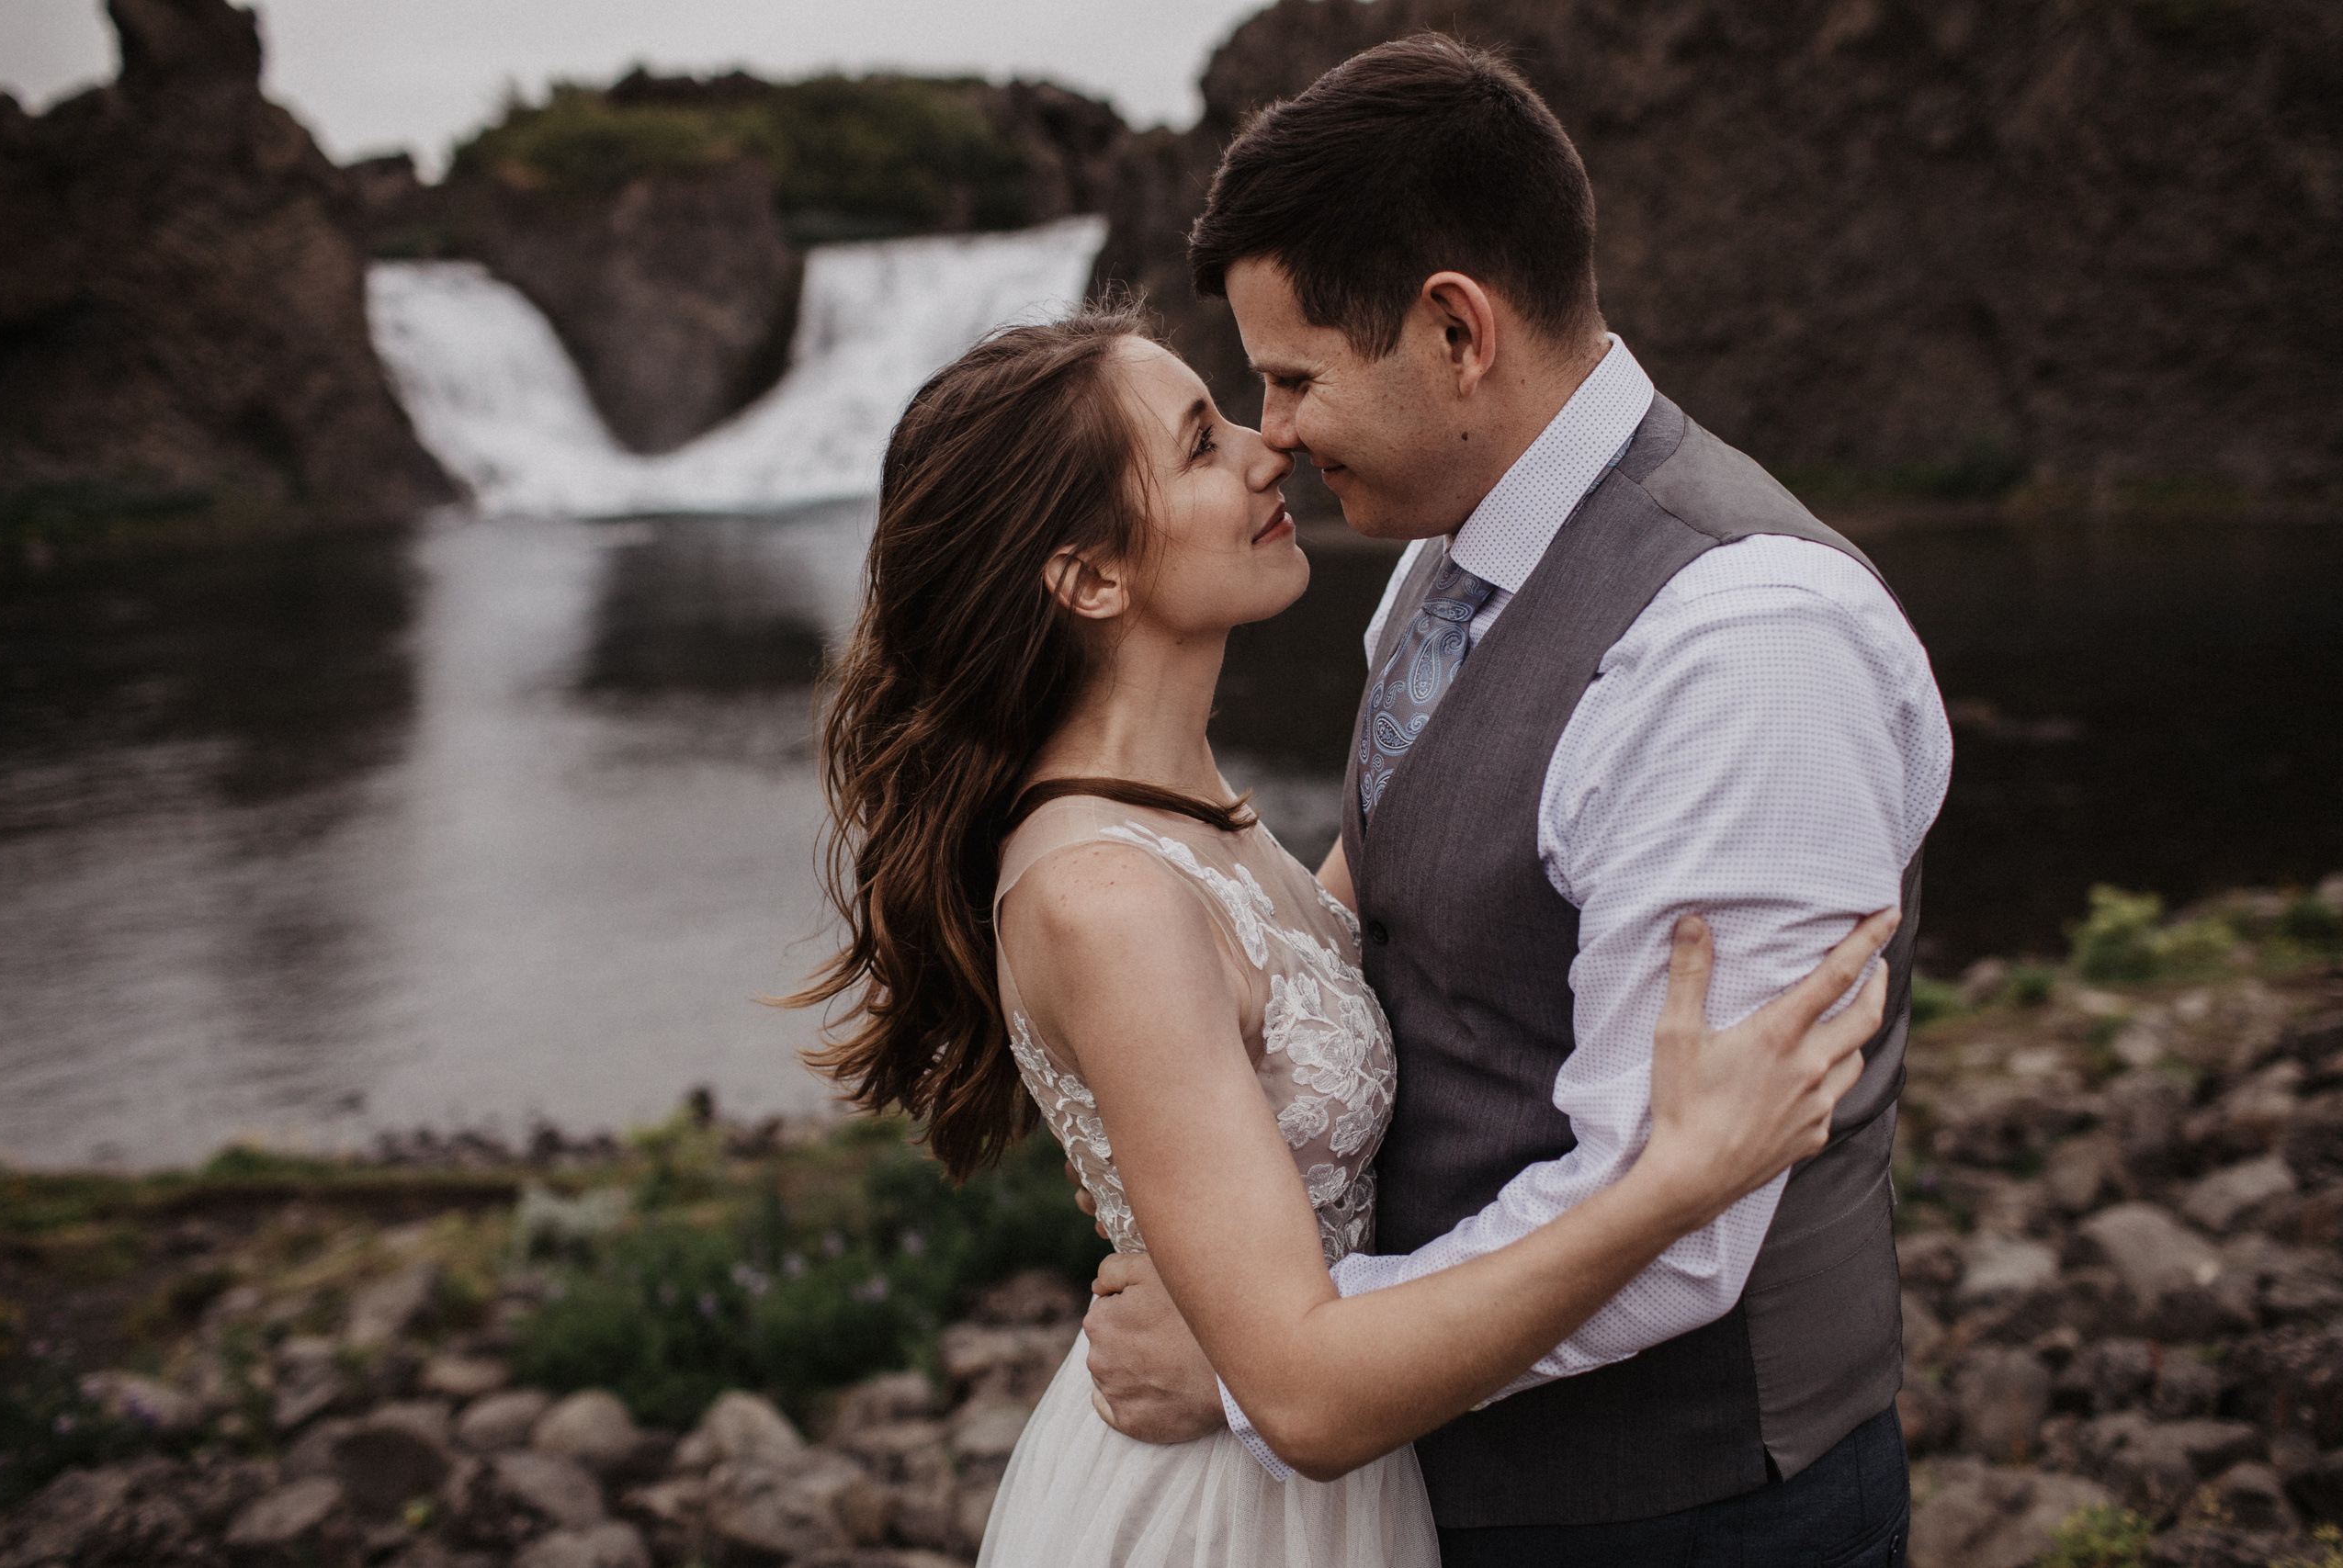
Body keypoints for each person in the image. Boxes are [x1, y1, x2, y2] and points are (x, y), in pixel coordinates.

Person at [782, 297, 1904, 1565]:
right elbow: (1303, 1391)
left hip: (1339, 1467)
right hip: (1232, 1509)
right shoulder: (1109, 900)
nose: (1273, 450)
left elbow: (1381, 916)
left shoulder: (1193, 816)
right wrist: (1676, 1181)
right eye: (1203, 444)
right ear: (1091, 577)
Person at [1076, 33, 1952, 1568]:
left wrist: (1245, 1357)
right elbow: (1403, 915)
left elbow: (1676, 1209)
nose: (1272, 434)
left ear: (1457, 333)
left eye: (1292, 380)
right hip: (1446, 1477)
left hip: (1685, 1514)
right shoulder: (1441, 559)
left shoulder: (1738, 648)